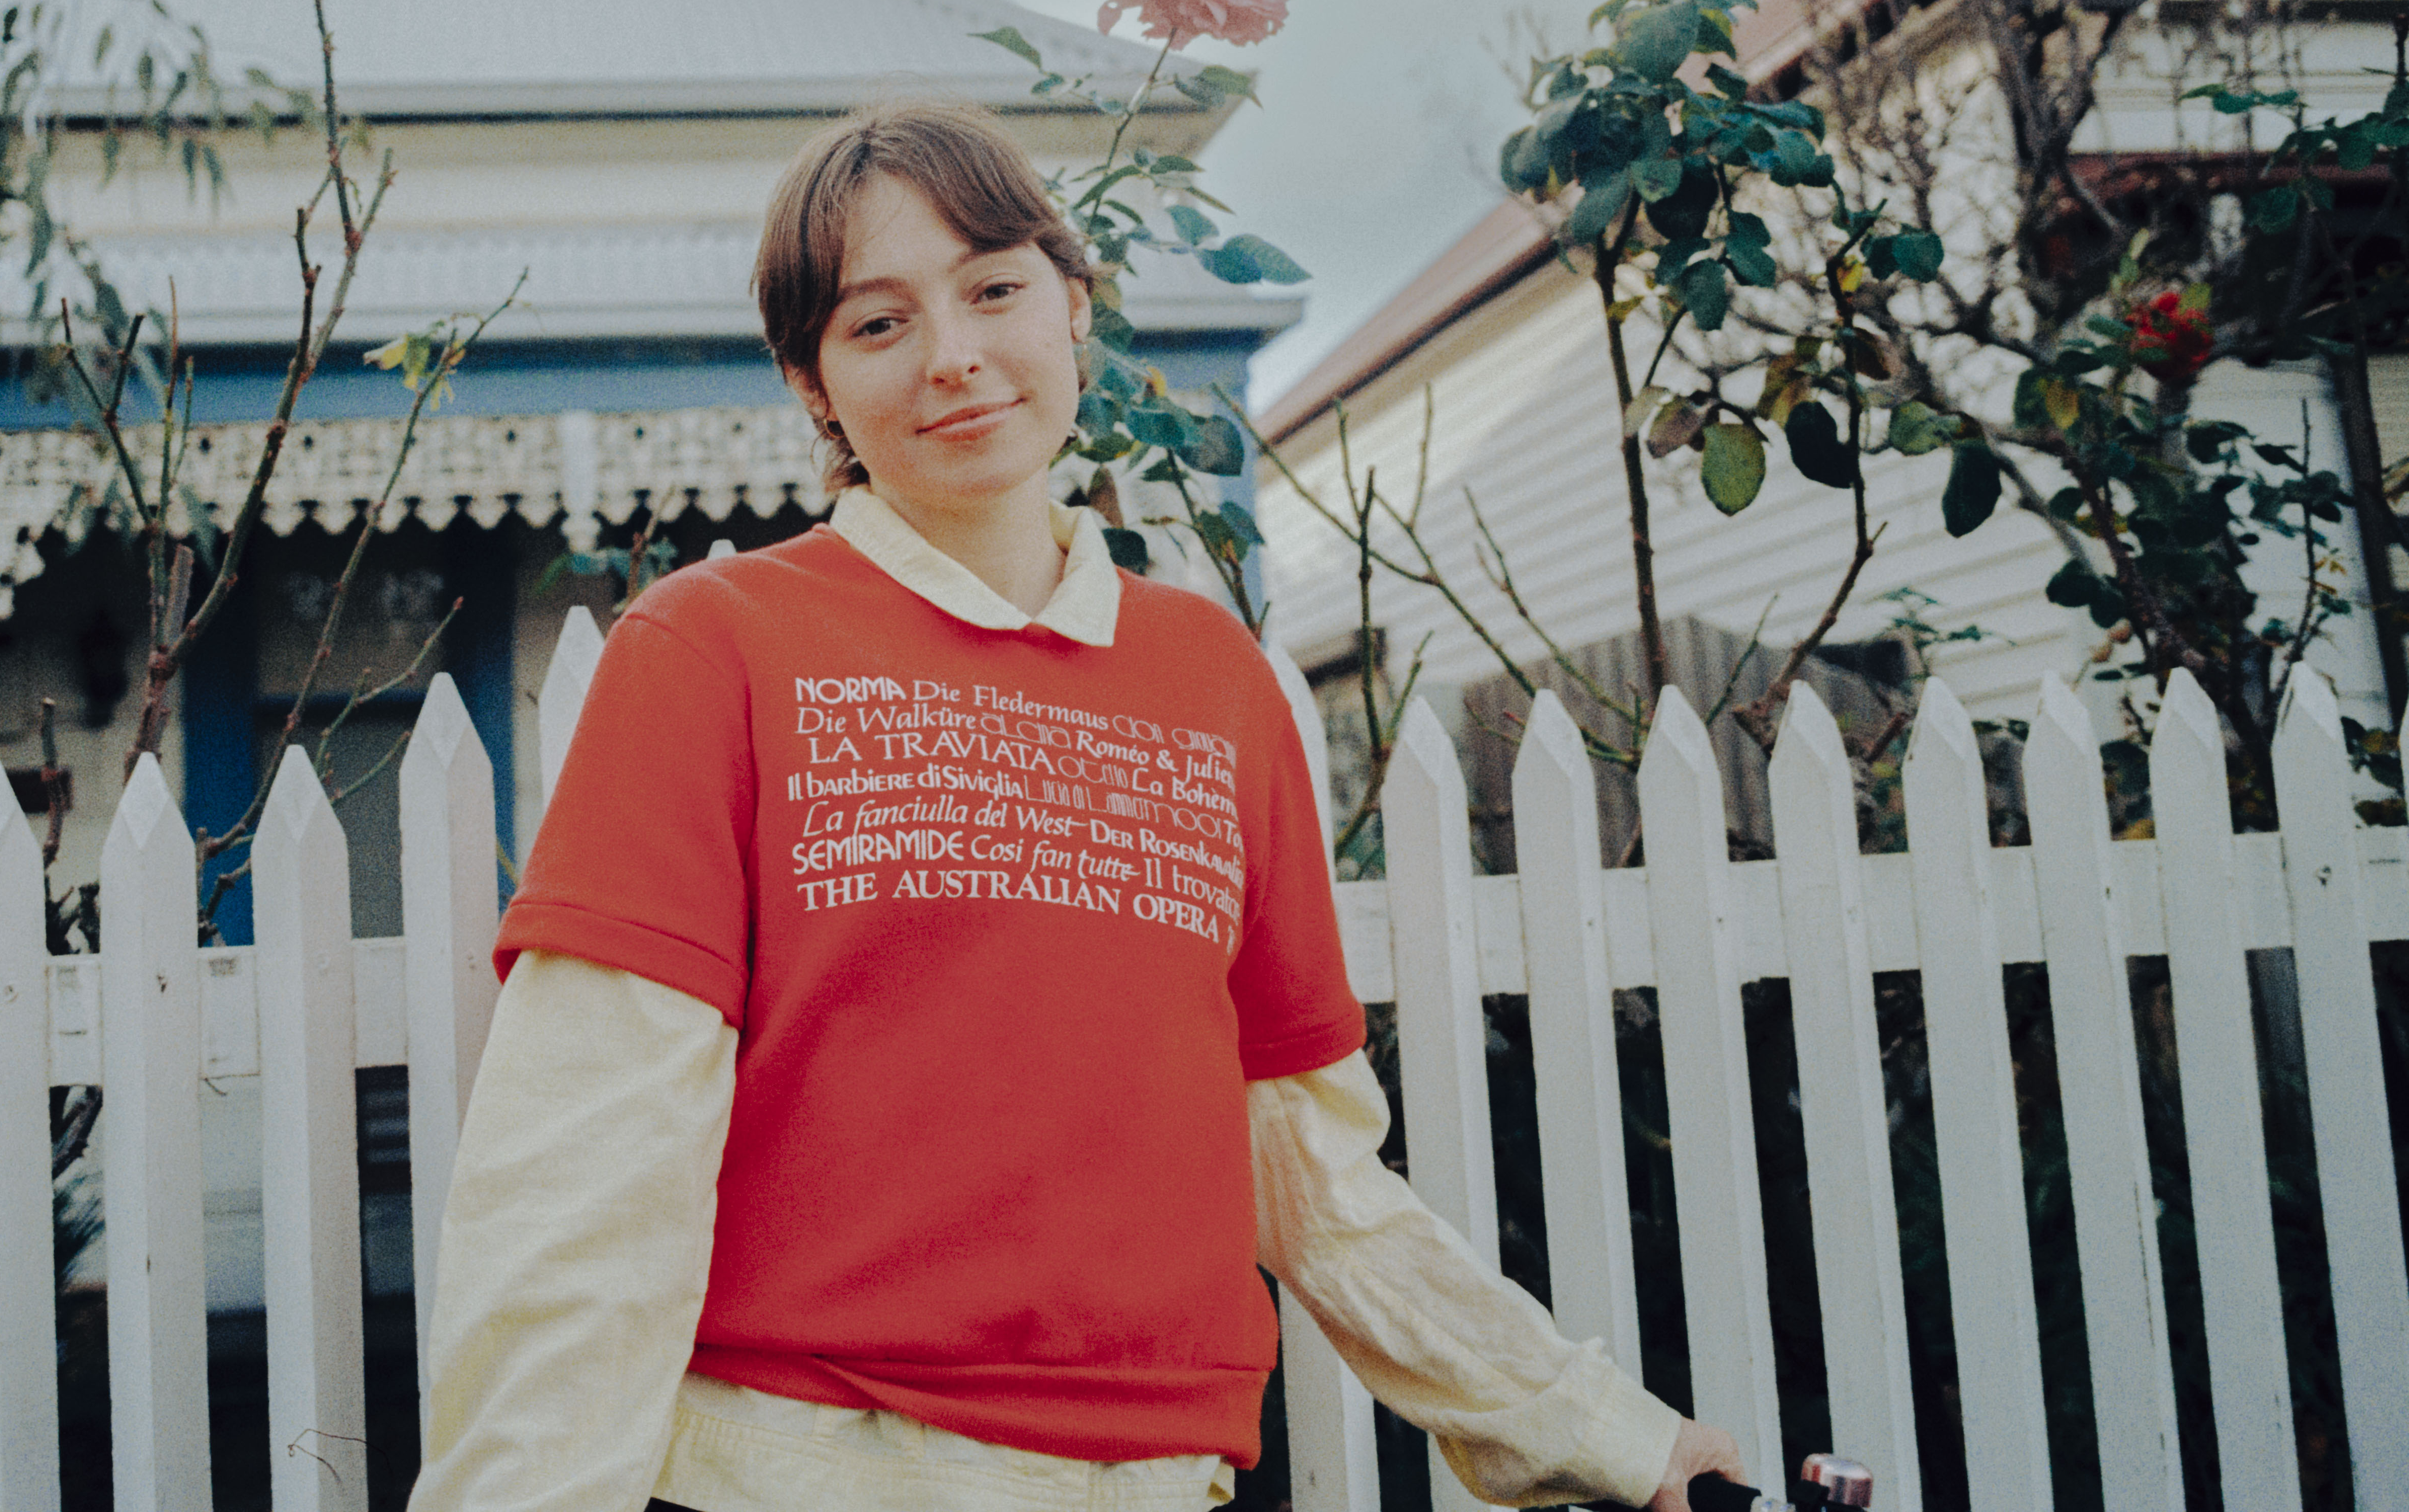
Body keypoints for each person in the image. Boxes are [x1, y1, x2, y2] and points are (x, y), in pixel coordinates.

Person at [406, 101, 1745, 1512]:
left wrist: (1607, 1433)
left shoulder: (1212, 678)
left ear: (1074, 305)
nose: (953, 355)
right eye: (879, 323)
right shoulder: (712, 647)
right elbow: (588, 1165)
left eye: (993, 289)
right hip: (798, 1472)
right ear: (813, 384)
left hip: (1164, 1481)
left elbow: (1312, 1168)